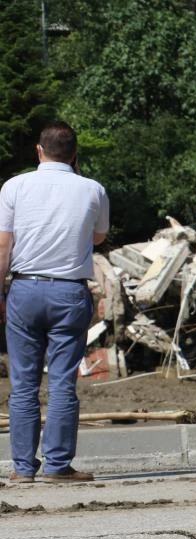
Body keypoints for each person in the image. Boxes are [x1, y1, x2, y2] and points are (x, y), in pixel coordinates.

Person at [0, 121, 108, 484]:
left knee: (24, 382)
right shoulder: (92, 189)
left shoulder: (14, 186)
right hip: (69, 291)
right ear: (75, 154)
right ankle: (58, 465)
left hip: (25, 290)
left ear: (38, 150)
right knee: (62, 380)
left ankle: (23, 468)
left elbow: (4, 245)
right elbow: (97, 237)